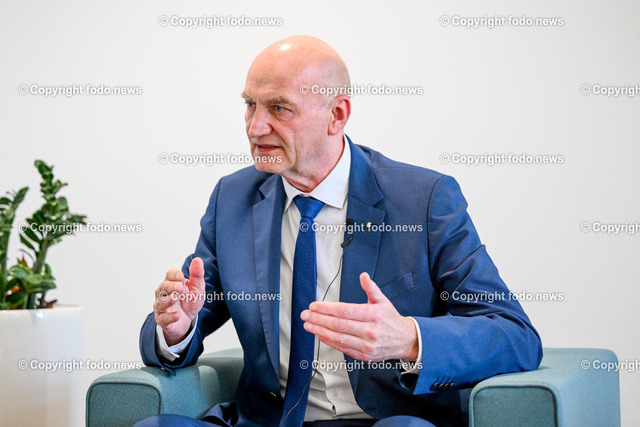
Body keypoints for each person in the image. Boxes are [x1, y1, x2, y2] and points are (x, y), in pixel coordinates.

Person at [137, 35, 542, 427]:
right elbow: (193, 308)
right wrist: (176, 327)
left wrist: (408, 338)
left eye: (279, 108)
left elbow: (515, 335)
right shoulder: (233, 198)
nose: (255, 127)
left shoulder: (423, 200)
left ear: (337, 115)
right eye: (249, 105)